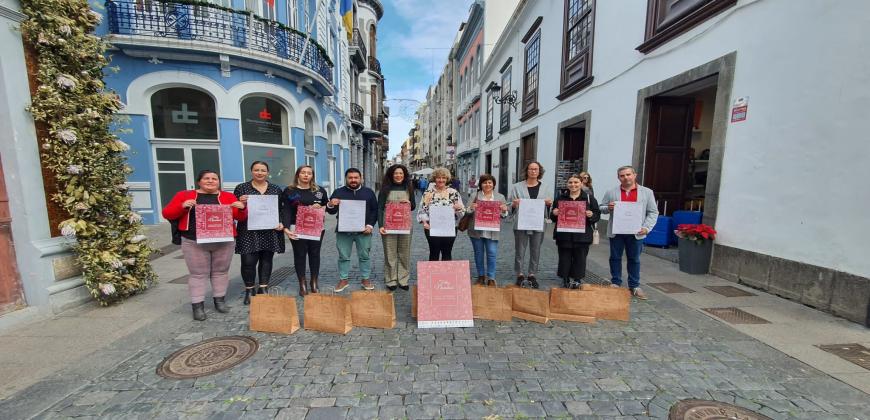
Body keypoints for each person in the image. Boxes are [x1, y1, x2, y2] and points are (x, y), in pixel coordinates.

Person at [162, 170, 246, 321]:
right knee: (198, 274)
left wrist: (241, 208)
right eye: (206, 178)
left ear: (219, 182)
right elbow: (168, 213)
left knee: (221, 272)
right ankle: (197, 306)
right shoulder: (184, 195)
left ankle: (219, 301)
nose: (210, 181)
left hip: (224, 241)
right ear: (199, 181)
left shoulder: (227, 196)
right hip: (194, 241)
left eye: (214, 179)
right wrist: (182, 206)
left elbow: (239, 217)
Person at [599, 165, 659, 300]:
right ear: (618, 177)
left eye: (628, 174)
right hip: (617, 231)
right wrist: (608, 208)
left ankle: (635, 285)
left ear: (634, 175)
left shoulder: (647, 192)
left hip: (636, 232)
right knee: (615, 258)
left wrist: (647, 227)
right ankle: (615, 282)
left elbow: (653, 212)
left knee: (634, 259)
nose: (625, 178)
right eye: (622, 175)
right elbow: (601, 208)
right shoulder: (611, 192)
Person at [233, 162, 285, 304]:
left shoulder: (275, 189)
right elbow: (236, 210)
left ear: (267, 172)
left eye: (263, 170)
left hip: (270, 229)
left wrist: (281, 222)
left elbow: (280, 209)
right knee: (248, 261)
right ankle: (249, 289)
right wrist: (240, 202)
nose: (260, 173)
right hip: (248, 230)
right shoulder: (241, 188)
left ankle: (263, 287)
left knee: (266, 259)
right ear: (251, 171)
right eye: (256, 170)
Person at [326, 168, 378, 292]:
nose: (353, 180)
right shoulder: (338, 192)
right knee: (343, 256)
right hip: (344, 231)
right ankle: (343, 279)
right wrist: (331, 204)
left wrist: (370, 225)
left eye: (356, 177)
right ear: (346, 179)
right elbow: (331, 211)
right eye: (350, 178)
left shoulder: (369, 192)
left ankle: (365, 278)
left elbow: (374, 210)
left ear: (361, 178)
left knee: (364, 256)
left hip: (363, 231)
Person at [282, 165, 329, 296]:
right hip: (296, 227)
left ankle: (314, 281)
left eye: (309, 173)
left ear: (312, 176)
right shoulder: (289, 191)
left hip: (316, 227)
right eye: (303, 172)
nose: (306, 175)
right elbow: (285, 210)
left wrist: (320, 206)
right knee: (300, 255)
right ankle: (302, 283)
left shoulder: (319, 191)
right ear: (298, 174)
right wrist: (286, 228)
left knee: (315, 254)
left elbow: (328, 206)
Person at [550, 174, 601, 288]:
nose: (573, 185)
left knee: (580, 258)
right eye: (571, 182)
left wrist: (591, 214)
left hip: (582, 235)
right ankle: (565, 278)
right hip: (564, 234)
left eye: (576, 182)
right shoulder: (560, 198)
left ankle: (577, 279)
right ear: (567, 184)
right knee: (564, 257)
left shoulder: (589, 198)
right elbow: (552, 217)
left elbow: (597, 214)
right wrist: (554, 213)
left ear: (581, 183)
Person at [508, 161, 553, 288]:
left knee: (536, 250)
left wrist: (549, 204)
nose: (533, 171)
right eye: (531, 169)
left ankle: (532, 274)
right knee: (520, 249)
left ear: (540, 172)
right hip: (521, 223)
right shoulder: (517, 187)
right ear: (526, 171)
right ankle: (520, 274)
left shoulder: (545, 187)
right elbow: (509, 203)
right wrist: (514, 204)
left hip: (538, 223)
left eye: (536, 169)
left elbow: (550, 204)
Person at [378, 164, 416, 291]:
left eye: (400, 173)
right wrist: (380, 225)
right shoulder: (385, 189)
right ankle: (391, 279)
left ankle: (403, 279)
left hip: (405, 224)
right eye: (395, 173)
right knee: (390, 253)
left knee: (404, 252)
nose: (398, 175)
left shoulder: (409, 188)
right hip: (388, 225)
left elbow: (413, 206)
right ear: (391, 175)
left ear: (404, 175)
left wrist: (409, 203)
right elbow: (380, 207)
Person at [466, 174, 509, 286]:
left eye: (490, 182)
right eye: (485, 182)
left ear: (493, 184)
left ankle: (491, 277)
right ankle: (481, 276)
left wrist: (504, 210)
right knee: (479, 253)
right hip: (476, 231)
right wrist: (471, 208)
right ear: (481, 184)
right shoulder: (474, 195)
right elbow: (466, 211)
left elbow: (503, 215)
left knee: (492, 253)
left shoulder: (500, 197)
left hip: (492, 231)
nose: (487, 184)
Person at [417, 167, 465, 261]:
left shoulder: (453, 193)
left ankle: (446, 275)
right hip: (432, 227)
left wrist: (459, 209)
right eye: (438, 177)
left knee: (447, 253)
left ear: (447, 179)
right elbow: (422, 210)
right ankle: (433, 275)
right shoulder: (428, 193)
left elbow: (462, 213)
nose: (441, 180)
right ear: (435, 179)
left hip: (450, 227)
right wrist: (425, 222)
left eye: (443, 177)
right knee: (434, 252)